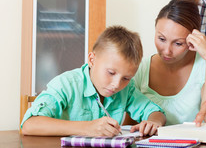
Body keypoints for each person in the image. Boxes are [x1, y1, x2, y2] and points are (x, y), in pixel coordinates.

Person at [21, 25, 166, 137]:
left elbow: (155, 112)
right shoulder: (66, 85)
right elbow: (29, 125)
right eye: (111, 72)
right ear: (92, 60)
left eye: (126, 78)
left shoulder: (127, 90)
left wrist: (154, 122)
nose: (117, 84)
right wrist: (87, 127)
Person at [131, 0, 206, 125]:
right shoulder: (141, 67)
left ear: (193, 38)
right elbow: (128, 123)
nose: (167, 51)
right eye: (161, 39)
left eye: (178, 43)